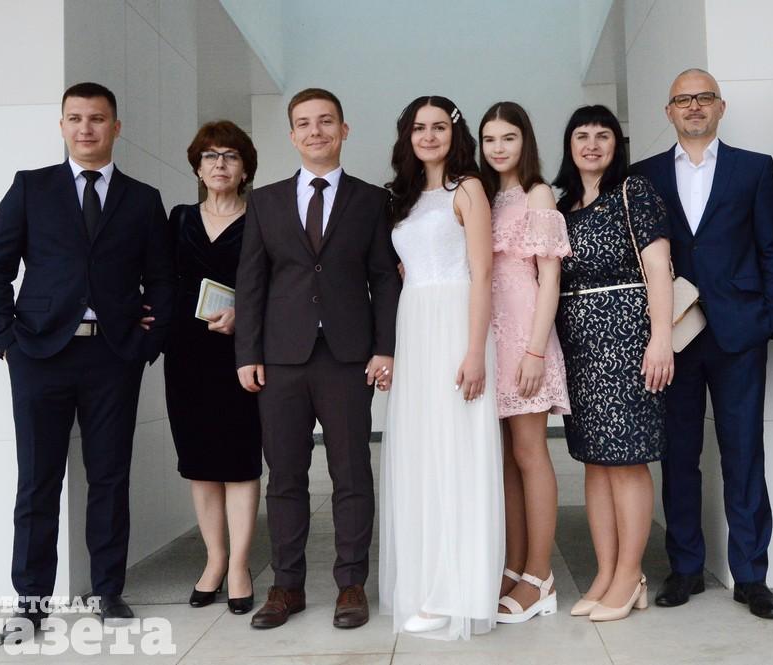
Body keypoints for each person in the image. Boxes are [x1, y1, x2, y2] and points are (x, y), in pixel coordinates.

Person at [0, 82, 175, 637]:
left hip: (113, 356)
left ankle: (107, 590)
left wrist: (147, 343)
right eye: (75, 118)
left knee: (109, 477)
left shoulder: (142, 199)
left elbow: (164, 279)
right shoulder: (31, 187)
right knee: (37, 480)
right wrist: (6, 340)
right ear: (62, 125)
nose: (86, 128)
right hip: (39, 354)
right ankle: (31, 601)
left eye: (97, 118)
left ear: (116, 127)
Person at [234, 88, 400, 630]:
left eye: (326, 121)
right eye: (304, 123)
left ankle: (351, 584)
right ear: (291, 135)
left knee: (351, 472)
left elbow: (383, 278)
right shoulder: (265, 201)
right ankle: (286, 586)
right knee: (285, 475)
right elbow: (251, 282)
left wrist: (385, 347)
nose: (316, 131)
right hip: (280, 358)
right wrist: (247, 353)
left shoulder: (371, 200)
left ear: (343, 130)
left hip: (348, 357)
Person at [631, 69, 773, 619]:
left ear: (721, 106)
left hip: (739, 332)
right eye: (683, 99)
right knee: (679, 454)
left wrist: (768, 316)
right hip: (674, 334)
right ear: (668, 111)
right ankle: (686, 568)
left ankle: (752, 576)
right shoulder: (643, 175)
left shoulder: (755, 169)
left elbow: (772, 248)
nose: (693, 106)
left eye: (704, 98)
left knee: (744, 452)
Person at [379, 96, 504, 640]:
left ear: (455, 134)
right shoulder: (402, 198)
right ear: (407, 136)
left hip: (456, 324)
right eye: (418, 128)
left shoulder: (468, 189)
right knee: (422, 451)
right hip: (415, 325)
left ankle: (458, 589)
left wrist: (475, 351)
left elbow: (483, 274)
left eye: (438, 127)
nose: (428, 136)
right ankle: (426, 579)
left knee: (458, 451)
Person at [553, 105, 674, 622]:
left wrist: (660, 339)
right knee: (595, 461)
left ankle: (630, 573)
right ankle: (605, 573)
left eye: (603, 135)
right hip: (578, 345)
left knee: (626, 460)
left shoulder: (634, 191)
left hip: (627, 339)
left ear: (615, 144)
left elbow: (659, 268)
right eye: (582, 136)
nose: (592, 144)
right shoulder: (562, 206)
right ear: (569, 145)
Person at [478, 101, 570, 624]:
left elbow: (549, 278)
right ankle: (514, 567)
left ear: (525, 141)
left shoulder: (538, 193)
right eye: (489, 138)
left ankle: (541, 576)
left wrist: (536, 350)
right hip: (490, 340)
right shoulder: (483, 196)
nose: (498, 148)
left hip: (525, 338)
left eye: (508, 137)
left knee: (531, 453)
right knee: (506, 458)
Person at [165, 120, 261, 615]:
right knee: (200, 462)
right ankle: (214, 560)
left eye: (230, 156)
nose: (219, 164)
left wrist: (245, 312)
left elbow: (276, 282)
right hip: (187, 354)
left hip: (240, 354)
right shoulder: (179, 218)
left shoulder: (262, 217)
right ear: (197, 167)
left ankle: (240, 565)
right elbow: (160, 279)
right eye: (210, 156)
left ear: (245, 169)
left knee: (240, 461)